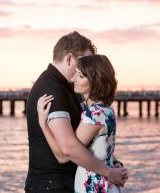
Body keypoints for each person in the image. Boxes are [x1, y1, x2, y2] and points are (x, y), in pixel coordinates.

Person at [24, 31, 127, 192]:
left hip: (70, 184)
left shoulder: (73, 90)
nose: (87, 68)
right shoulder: (51, 90)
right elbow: (67, 150)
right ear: (70, 58)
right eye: (84, 62)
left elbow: (90, 141)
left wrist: (112, 163)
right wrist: (109, 171)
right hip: (51, 185)